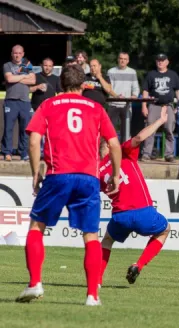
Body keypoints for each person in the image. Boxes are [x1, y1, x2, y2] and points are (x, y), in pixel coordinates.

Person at [16, 64, 122, 306]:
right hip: (88, 178)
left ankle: (35, 284)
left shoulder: (48, 105)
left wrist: (35, 172)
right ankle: (92, 296)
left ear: (60, 84)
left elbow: (34, 140)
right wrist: (115, 175)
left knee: (37, 226)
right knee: (91, 235)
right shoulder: (96, 108)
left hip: (58, 174)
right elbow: (114, 144)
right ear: (84, 85)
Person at [99, 107, 170, 286]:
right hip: (142, 212)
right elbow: (139, 138)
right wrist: (160, 121)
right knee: (165, 230)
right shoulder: (123, 152)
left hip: (120, 216)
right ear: (109, 145)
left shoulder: (97, 171)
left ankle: (97, 281)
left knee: (107, 241)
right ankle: (138, 265)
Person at [141, 53, 179, 162]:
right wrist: (144, 106)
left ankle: (169, 154)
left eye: (162, 60)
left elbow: (178, 90)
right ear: (156, 62)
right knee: (150, 129)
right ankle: (147, 153)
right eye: (158, 60)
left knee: (169, 130)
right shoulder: (151, 74)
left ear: (167, 62)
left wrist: (178, 106)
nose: (160, 62)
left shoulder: (173, 74)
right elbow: (145, 90)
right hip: (154, 105)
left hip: (168, 105)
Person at [2, 45, 36, 161]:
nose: (17, 55)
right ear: (12, 54)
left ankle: (23, 152)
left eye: (19, 53)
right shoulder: (7, 65)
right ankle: (7, 152)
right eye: (15, 53)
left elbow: (33, 80)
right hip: (11, 101)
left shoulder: (27, 64)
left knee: (25, 128)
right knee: (8, 128)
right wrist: (24, 76)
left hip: (25, 101)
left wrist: (18, 77)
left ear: (23, 53)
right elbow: (9, 79)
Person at [107, 52, 141, 139]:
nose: (122, 61)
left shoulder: (132, 72)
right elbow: (108, 88)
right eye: (121, 58)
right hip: (113, 104)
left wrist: (134, 95)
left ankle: (124, 150)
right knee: (110, 130)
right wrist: (116, 96)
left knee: (126, 131)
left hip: (126, 104)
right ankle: (110, 151)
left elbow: (136, 87)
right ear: (118, 59)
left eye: (125, 59)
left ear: (128, 61)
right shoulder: (111, 71)